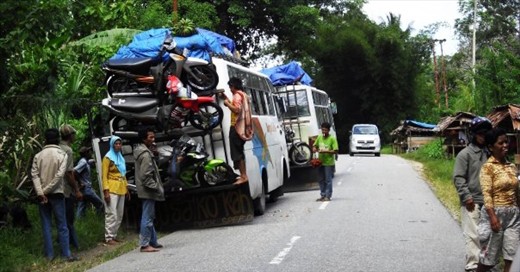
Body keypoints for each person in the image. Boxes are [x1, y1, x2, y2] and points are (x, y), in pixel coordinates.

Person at [476, 127, 520, 272]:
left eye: (506, 142)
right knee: (489, 258)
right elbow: (486, 194)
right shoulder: (488, 168)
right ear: (490, 147)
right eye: (500, 143)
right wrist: (492, 217)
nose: (505, 145)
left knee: (511, 257)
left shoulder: (511, 166)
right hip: (494, 215)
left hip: (513, 216)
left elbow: (516, 192)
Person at [31, 128, 78, 262]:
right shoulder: (62, 155)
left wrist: (41, 193)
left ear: (45, 139)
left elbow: (34, 175)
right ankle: (66, 254)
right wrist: (46, 190)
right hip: (57, 194)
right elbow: (59, 176)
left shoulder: (38, 156)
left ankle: (49, 255)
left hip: (42, 197)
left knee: (46, 225)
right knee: (62, 225)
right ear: (57, 139)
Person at [453, 117, 493, 272]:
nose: (483, 136)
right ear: (474, 134)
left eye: (486, 133)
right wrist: (466, 196)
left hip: (490, 201)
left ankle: (486, 264)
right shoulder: (465, 154)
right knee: (473, 235)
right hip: (472, 201)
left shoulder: (491, 153)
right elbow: (458, 177)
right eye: (480, 133)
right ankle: (473, 265)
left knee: (488, 235)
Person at [134, 128, 165, 253]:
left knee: (149, 215)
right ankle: (145, 244)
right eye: (150, 138)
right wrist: (156, 187)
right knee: (147, 216)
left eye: (153, 137)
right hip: (148, 190)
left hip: (145, 189)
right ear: (144, 139)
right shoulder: (145, 154)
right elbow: (146, 175)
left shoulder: (142, 151)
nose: (153, 139)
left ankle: (152, 241)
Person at [220, 77, 249, 184]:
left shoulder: (237, 96)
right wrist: (226, 98)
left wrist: (227, 104)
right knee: (239, 151)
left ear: (233, 86)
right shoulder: (243, 94)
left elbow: (237, 109)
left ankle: (243, 176)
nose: (230, 89)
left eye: (230, 87)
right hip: (243, 127)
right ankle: (242, 175)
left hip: (236, 127)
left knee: (237, 152)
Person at [102, 135, 129, 245]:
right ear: (112, 145)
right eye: (116, 144)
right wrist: (106, 191)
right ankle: (108, 237)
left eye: (119, 144)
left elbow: (123, 174)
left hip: (121, 187)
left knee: (119, 213)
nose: (118, 146)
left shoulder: (120, 158)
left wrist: (127, 188)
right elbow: (104, 175)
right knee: (111, 213)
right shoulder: (108, 157)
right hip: (112, 187)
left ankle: (114, 235)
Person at [59, 124, 82, 250]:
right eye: (74, 134)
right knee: (69, 219)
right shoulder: (68, 150)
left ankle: (68, 243)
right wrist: (77, 189)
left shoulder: (57, 147)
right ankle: (73, 245)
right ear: (70, 136)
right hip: (66, 189)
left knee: (62, 218)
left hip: (56, 188)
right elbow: (69, 173)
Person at [312, 122, 339, 202]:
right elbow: (314, 145)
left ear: (329, 130)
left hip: (329, 162)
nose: (323, 132)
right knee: (321, 179)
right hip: (320, 162)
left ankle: (328, 195)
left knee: (328, 180)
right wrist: (314, 148)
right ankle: (322, 195)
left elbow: (335, 150)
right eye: (322, 130)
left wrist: (327, 151)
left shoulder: (332, 139)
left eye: (325, 130)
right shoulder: (319, 137)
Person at [75, 146, 104, 218]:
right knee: (100, 204)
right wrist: (80, 182)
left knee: (81, 207)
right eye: (89, 152)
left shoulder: (85, 161)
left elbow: (90, 161)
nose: (90, 153)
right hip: (86, 188)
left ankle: (79, 223)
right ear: (86, 153)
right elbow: (74, 171)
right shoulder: (83, 162)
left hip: (84, 189)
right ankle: (99, 220)